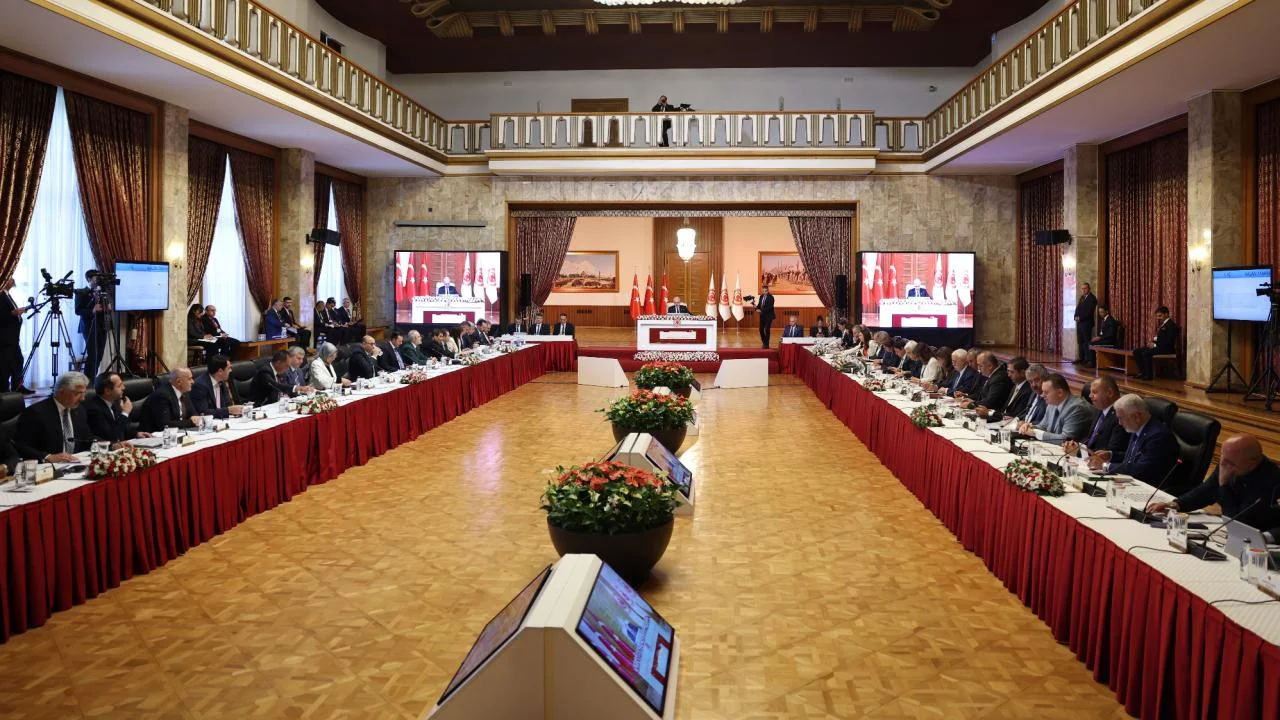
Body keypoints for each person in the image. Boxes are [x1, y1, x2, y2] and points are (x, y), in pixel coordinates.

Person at [1146, 435, 1280, 535]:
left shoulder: (1271, 480)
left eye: (1229, 463)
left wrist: (1223, 486)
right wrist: (1175, 505)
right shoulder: (1230, 462)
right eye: (1223, 459)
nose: (1224, 466)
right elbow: (1205, 491)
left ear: (1251, 464)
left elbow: (1238, 523)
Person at [1086, 393, 1178, 482]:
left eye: (1121, 418)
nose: (1119, 423)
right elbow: (1133, 459)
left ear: (1137, 416)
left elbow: (1142, 469)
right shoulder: (1137, 427)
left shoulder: (1158, 436)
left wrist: (1105, 466)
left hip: (1148, 486)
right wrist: (1111, 456)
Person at [13, 371, 92, 463]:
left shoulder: (79, 410)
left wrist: (104, 444)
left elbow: (86, 437)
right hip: (48, 466)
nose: (82, 398)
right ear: (61, 392)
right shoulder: (36, 413)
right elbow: (20, 445)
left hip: (75, 463)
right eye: (78, 393)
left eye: (84, 393)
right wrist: (48, 457)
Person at [1019, 374, 1097, 444]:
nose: (1042, 395)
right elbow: (1043, 426)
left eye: (1046, 392)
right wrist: (1030, 427)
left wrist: (1035, 433)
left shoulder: (1076, 408)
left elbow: (1065, 439)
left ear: (1060, 392)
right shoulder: (1052, 404)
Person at [1064, 375, 1128, 459]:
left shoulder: (1120, 417)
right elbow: (1090, 440)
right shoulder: (1100, 410)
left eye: (1094, 392)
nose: (1090, 396)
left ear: (1109, 393)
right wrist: (1076, 446)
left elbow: (1110, 453)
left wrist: (1079, 452)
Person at [84, 372, 147, 444]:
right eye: (119, 386)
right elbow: (113, 438)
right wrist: (125, 413)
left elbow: (121, 428)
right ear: (107, 391)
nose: (123, 387)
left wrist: (136, 434)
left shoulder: (114, 402)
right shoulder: (94, 410)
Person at [137, 367, 205, 433]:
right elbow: (165, 425)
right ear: (179, 382)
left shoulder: (184, 392)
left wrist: (195, 418)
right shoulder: (162, 396)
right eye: (189, 379)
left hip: (180, 433)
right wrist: (191, 422)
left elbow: (193, 414)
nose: (193, 382)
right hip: (155, 436)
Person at [74, 270, 108, 376]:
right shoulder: (81, 292)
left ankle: (92, 377)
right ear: (89, 279)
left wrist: (107, 307)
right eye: (96, 278)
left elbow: (105, 307)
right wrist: (92, 311)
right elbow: (78, 311)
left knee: (99, 355)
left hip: (103, 326)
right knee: (93, 355)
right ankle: (88, 380)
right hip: (89, 327)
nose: (98, 280)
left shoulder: (103, 292)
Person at [190, 355, 244, 420]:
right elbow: (203, 412)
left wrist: (235, 410)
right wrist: (228, 410)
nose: (231, 371)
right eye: (229, 368)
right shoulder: (200, 385)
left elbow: (227, 404)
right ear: (220, 371)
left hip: (222, 421)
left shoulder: (221, 381)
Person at [0, 277, 30, 393]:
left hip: (13, 337)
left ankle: (17, 386)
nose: (12, 280)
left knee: (18, 360)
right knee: (6, 365)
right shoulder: (1, 295)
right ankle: (4, 390)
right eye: (10, 278)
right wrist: (12, 314)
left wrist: (18, 312)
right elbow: (3, 316)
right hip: (5, 338)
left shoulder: (7, 295)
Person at [1133, 305, 1178, 380]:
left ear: (1166, 314)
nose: (1158, 318)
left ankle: (1148, 375)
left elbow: (1169, 341)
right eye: (1157, 316)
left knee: (1146, 353)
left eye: (1160, 316)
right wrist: (1153, 342)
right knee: (1137, 351)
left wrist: (1154, 345)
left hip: (1166, 349)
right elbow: (1160, 338)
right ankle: (1143, 372)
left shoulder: (1171, 325)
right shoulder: (1164, 324)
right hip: (1159, 347)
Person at [984, 356, 1031, 422]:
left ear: (1023, 373)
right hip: (1002, 420)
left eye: (1012, 372)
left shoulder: (1027, 391)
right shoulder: (1015, 385)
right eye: (1008, 371)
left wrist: (990, 412)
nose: (1009, 375)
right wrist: (988, 412)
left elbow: (1015, 415)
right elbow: (1005, 409)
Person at [1087, 302, 1120, 368]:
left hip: (1110, 341)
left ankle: (1093, 363)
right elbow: (1102, 333)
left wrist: (1100, 338)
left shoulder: (1110, 320)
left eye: (1102, 312)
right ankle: (1092, 361)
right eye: (1099, 312)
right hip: (1105, 339)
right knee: (1091, 342)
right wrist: (1097, 337)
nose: (1100, 314)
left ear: (1106, 311)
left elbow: (1111, 333)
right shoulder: (1105, 320)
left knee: (1092, 344)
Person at [1073, 283, 1097, 366]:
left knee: (1087, 341)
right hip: (1080, 323)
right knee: (1080, 341)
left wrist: (1080, 318)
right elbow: (1077, 309)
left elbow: (1089, 311)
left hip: (1087, 323)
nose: (1083, 290)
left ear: (1089, 289)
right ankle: (1081, 358)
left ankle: (1089, 360)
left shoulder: (1092, 298)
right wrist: (1075, 316)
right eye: (1082, 288)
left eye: (1085, 288)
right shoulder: (1082, 297)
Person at [753, 285, 776, 349]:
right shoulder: (761, 296)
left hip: (769, 316)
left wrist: (760, 310)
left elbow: (769, 307)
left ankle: (766, 345)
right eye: (763, 291)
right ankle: (764, 342)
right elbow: (759, 305)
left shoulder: (771, 297)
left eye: (765, 291)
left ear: (768, 291)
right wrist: (755, 306)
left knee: (767, 329)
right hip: (762, 316)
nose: (764, 292)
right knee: (761, 329)